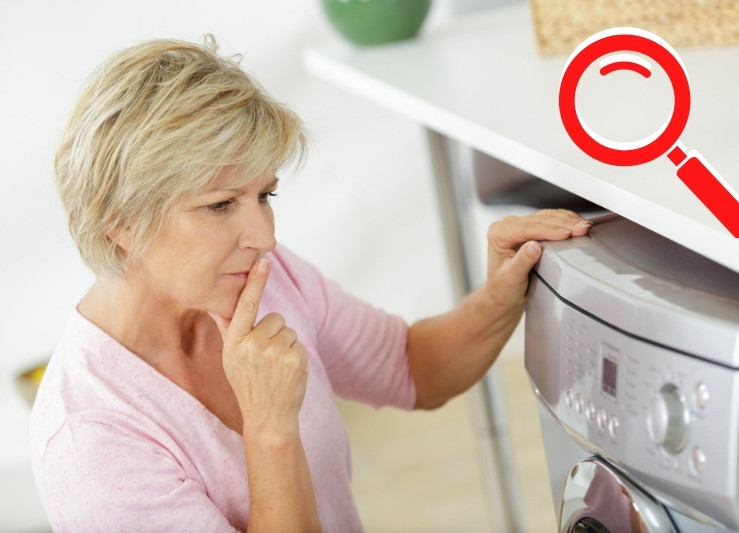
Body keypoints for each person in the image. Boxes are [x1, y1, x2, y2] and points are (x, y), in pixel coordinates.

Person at [29, 37, 592, 532]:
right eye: (220, 204)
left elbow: (412, 368)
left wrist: (501, 293)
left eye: (264, 195)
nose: (264, 235)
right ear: (121, 223)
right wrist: (269, 428)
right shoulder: (90, 441)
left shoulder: (262, 279)